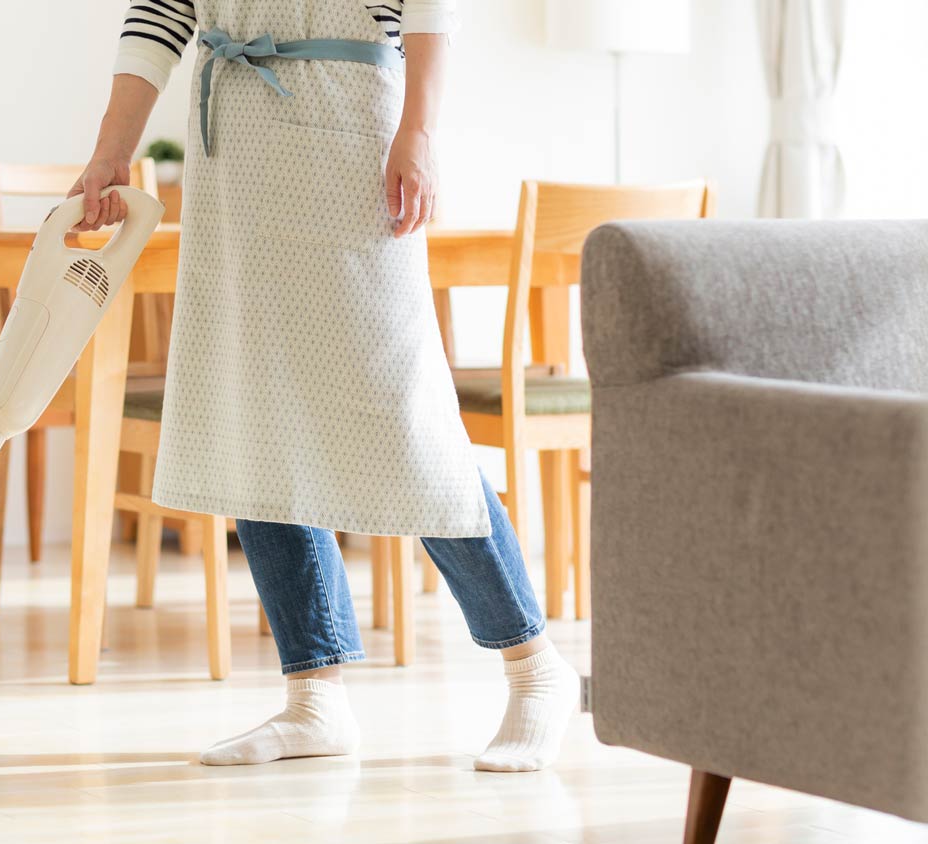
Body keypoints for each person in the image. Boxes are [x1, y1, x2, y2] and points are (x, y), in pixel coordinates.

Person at [70, 0, 579, 772]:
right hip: (234, 154)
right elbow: (160, 15)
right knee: (257, 401)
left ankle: (535, 668)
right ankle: (314, 697)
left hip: (354, 138)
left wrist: (421, 131)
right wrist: (112, 150)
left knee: (407, 423)